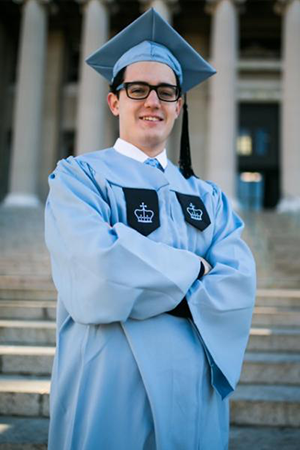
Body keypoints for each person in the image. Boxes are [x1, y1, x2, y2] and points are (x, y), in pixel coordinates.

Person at [45, 8, 256, 450]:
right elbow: (98, 269)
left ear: (180, 103)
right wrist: (196, 270)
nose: (152, 102)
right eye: (137, 89)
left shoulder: (209, 197)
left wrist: (142, 265)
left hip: (195, 391)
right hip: (110, 383)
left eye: (166, 91)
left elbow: (237, 283)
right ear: (114, 100)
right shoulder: (79, 178)